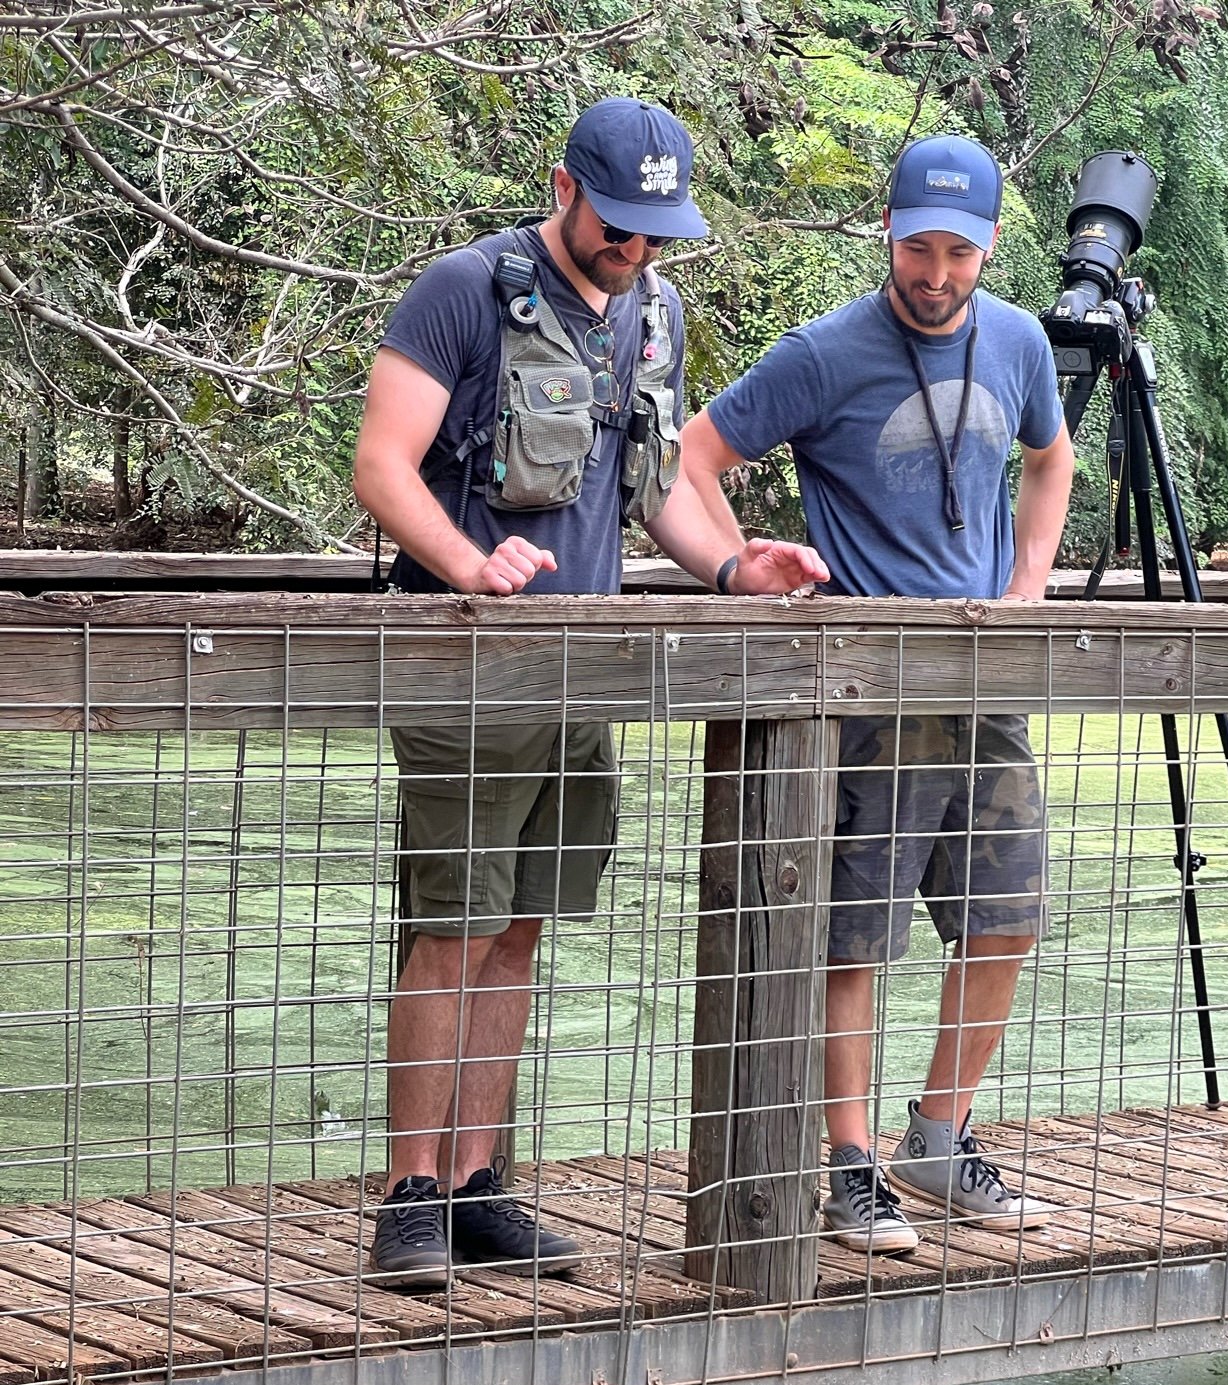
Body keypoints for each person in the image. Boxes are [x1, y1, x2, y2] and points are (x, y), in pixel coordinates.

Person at [354, 98, 826, 1284]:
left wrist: (729, 567)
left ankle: (476, 1184)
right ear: (564, 186)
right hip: (465, 663)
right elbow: (379, 464)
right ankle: (410, 1194)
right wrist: (472, 566)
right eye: (621, 225)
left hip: (584, 669)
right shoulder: (462, 290)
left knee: (519, 931)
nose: (639, 250)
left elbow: (652, 482)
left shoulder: (651, 311)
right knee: (450, 928)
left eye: (658, 231)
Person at [682, 136, 1075, 1252]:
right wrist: (736, 573)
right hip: (864, 690)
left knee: (1006, 919)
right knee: (854, 938)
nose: (936, 273)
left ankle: (939, 1140)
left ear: (992, 246)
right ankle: (848, 1164)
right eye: (918, 248)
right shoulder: (826, 353)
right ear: (886, 234)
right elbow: (691, 456)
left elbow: (1051, 459)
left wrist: (1030, 585)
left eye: (958, 251)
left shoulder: (1019, 341)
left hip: (985, 683)